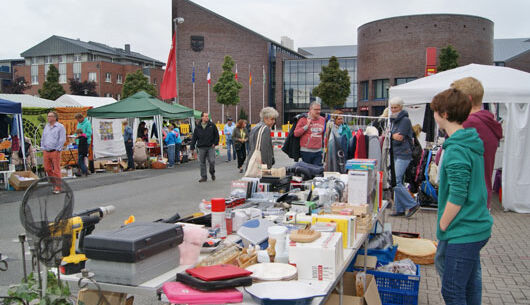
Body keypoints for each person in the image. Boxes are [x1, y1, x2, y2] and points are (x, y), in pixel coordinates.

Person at [431, 88, 493, 305]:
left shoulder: (457, 149)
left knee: (452, 290)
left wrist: (443, 225)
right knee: (469, 285)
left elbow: (458, 195)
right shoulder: (469, 140)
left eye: (436, 112)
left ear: (445, 114)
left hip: (464, 229)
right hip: (475, 225)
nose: (434, 116)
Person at [451, 77, 502, 210]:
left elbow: (446, 157)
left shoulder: (469, 124)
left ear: (468, 99)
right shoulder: (487, 122)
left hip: (467, 200)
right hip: (481, 195)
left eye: (456, 98)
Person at [389, 97, 420, 217]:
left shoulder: (404, 120)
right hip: (397, 153)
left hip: (403, 154)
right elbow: (395, 136)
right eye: (392, 107)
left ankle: (412, 204)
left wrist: (390, 135)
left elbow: (399, 138)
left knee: (395, 181)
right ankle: (400, 208)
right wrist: (393, 135)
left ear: (401, 107)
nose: (393, 109)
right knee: (398, 180)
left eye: (395, 107)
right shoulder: (394, 120)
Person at [41, 111, 66, 193]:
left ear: (55, 118)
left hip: (55, 150)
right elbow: (43, 137)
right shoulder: (46, 126)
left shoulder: (60, 127)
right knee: (47, 168)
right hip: (46, 150)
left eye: (50, 116)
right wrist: (43, 148)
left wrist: (58, 149)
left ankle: (58, 187)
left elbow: (62, 139)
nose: (48, 118)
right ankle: (54, 183)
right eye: (48, 116)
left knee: (56, 169)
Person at [293, 101, 326, 166]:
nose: (318, 111)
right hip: (306, 151)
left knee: (317, 172)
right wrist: (306, 126)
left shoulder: (323, 120)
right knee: (307, 173)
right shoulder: (303, 119)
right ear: (310, 109)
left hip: (318, 151)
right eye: (316, 109)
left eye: (319, 109)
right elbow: (296, 133)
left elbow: (323, 134)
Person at [191, 112, 219, 182]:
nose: (207, 117)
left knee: (212, 161)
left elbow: (217, 135)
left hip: (210, 147)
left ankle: (212, 172)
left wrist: (215, 143)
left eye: (207, 116)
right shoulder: (198, 127)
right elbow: (194, 138)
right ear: (202, 117)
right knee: (202, 162)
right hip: (201, 147)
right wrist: (192, 147)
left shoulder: (212, 125)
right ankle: (204, 177)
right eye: (206, 116)